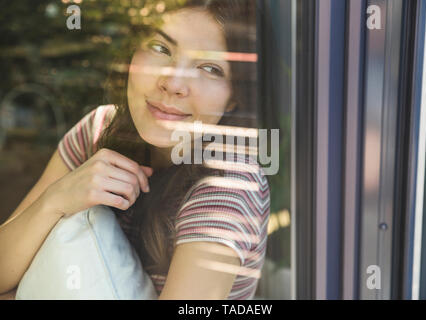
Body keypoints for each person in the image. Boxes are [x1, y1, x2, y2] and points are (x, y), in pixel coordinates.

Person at [0, 0, 269, 300]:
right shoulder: (99, 129)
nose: (173, 83)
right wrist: (56, 200)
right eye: (160, 48)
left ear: (234, 97)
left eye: (210, 68)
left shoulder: (228, 185)